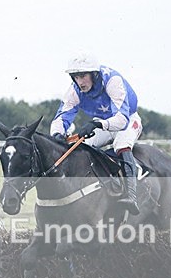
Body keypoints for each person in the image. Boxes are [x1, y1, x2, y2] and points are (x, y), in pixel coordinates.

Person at [49, 53, 142, 215]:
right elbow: (61, 116)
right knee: (80, 147)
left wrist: (97, 124)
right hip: (103, 121)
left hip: (127, 120)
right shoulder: (74, 90)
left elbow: (121, 119)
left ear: (94, 74)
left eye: (83, 76)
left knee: (121, 145)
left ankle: (131, 195)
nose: (80, 82)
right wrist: (57, 134)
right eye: (76, 77)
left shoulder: (112, 81)